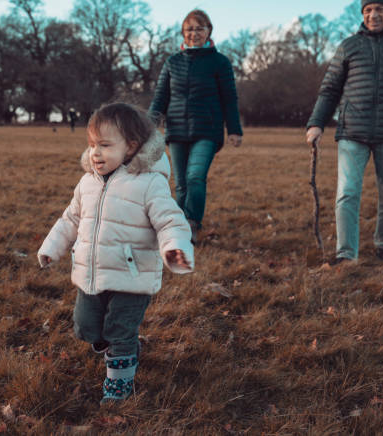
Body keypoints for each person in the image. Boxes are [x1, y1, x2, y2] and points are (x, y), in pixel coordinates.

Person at [37, 102, 194, 404]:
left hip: (131, 278)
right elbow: (70, 219)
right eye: (93, 145)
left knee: (120, 331)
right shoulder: (87, 184)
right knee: (86, 327)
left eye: (105, 145)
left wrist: (174, 248)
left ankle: (118, 386)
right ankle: (119, 349)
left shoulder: (149, 184)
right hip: (91, 273)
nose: (95, 153)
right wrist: (51, 248)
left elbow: (170, 220)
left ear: (132, 147)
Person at [305, 0, 383, 264]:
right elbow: (330, 89)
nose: (373, 15)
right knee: (347, 193)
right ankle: (346, 253)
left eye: (379, 9)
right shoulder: (349, 45)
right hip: (352, 130)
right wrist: (316, 123)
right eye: (367, 10)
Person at [149, 9, 243, 244]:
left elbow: (229, 98)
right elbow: (161, 97)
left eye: (200, 28)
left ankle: (191, 223)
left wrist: (234, 130)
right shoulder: (173, 62)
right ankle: (176, 227)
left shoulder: (220, 62)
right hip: (177, 130)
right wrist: (147, 126)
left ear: (209, 31)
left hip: (207, 131)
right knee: (180, 184)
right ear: (183, 32)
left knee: (195, 178)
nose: (194, 33)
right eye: (190, 29)